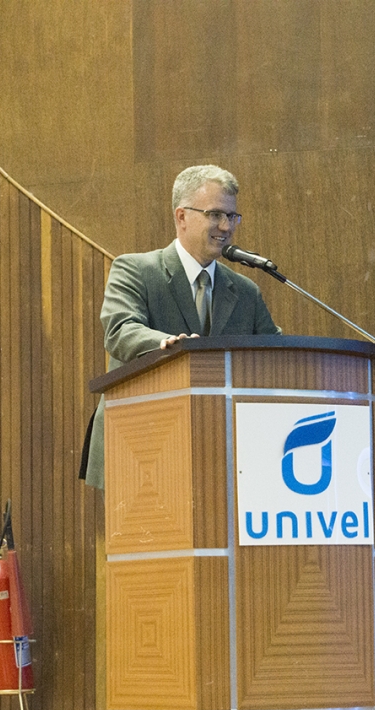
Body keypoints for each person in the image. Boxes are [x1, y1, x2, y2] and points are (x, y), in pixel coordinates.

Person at [82, 165, 281, 489]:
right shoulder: (135, 270)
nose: (226, 226)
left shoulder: (245, 291)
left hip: (218, 455)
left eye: (232, 216)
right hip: (139, 443)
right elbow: (121, 330)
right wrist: (170, 345)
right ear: (182, 216)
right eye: (215, 214)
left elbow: (276, 354)